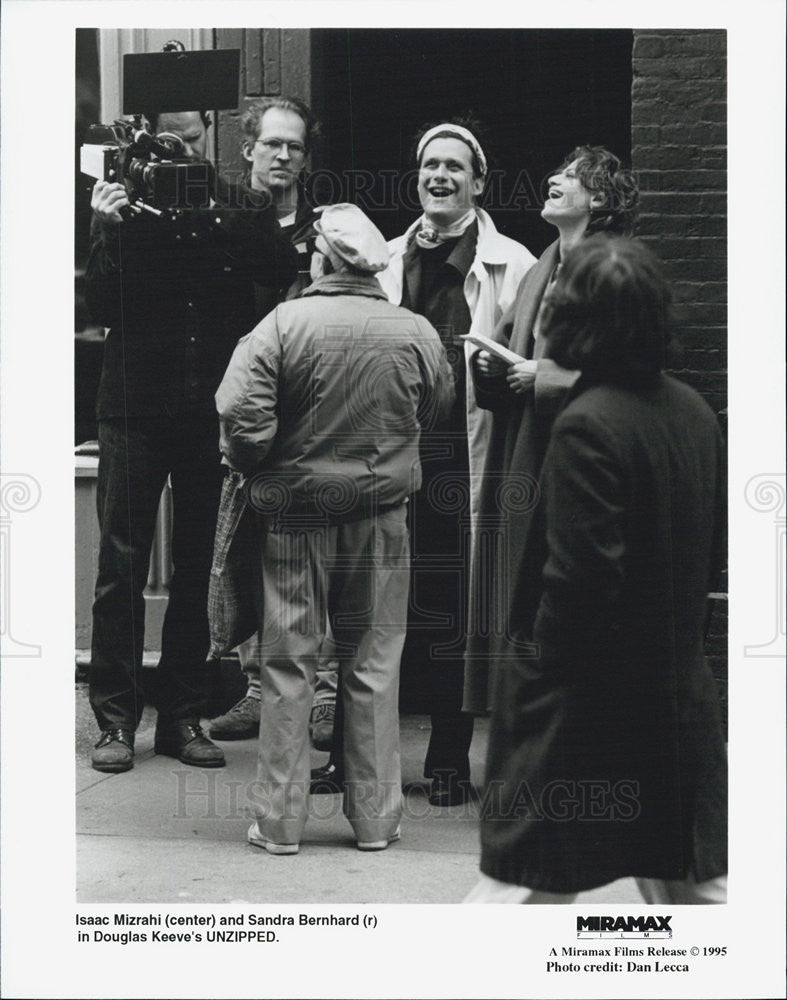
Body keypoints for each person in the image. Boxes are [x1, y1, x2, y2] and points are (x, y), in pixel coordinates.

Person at [465, 236, 727, 903]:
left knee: (517, 893)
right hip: (669, 700)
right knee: (691, 890)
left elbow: (579, 585)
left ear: (574, 318)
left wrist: (534, 676)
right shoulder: (694, 414)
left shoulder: (586, 422)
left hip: (582, 711)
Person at [215, 204, 454, 853]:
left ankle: (280, 822)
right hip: (382, 518)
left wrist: (259, 463)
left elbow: (241, 417)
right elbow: (436, 409)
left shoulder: (281, 325)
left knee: (288, 662)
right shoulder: (412, 331)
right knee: (373, 664)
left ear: (320, 259)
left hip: (295, 517)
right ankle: (376, 821)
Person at [86, 107, 297, 773]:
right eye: (163, 122)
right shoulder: (122, 202)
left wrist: (207, 207)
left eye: (188, 119)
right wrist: (107, 229)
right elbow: (95, 306)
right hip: (132, 406)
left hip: (208, 408)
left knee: (196, 564)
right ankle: (116, 721)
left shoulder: (237, 205)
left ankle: (180, 717)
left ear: (208, 126)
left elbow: (276, 265)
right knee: (120, 565)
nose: (177, 132)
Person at [368, 119, 534, 806]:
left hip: (464, 459)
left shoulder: (513, 263)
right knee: (374, 609)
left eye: (453, 167)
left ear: (477, 182)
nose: (439, 176)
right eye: (429, 165)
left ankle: (445, 759)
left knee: (449, 611)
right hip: (388, 454)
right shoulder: (379, 257)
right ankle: (361, 757)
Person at [464, 145, 639, 716]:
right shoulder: (543, 264)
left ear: (601, 198)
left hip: (577, 459)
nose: (553, 179)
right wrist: (490, 369)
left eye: (570, 176)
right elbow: (513, 344)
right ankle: (524, 736)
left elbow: (631, 371)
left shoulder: (614, 269)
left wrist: (544, 376)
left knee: (559, 591)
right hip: (523, 452)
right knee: (517, 594)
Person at [207, 95, 340, 745]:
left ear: (304, 157)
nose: (282, 155)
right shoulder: (219, 223)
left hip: (314, 418)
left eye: (294, 146)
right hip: (247, 420)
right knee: (249, 553)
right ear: (248, 150)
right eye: (271, 144)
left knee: (319, 556)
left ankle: (324, 692)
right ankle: (257, 689)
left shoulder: (331, 230)